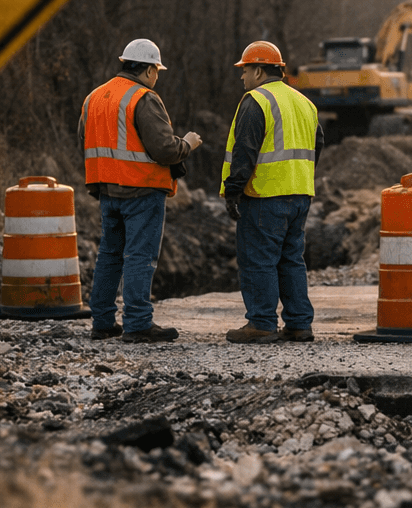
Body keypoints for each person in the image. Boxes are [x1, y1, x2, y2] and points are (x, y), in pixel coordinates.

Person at [80, 39, 202, 344]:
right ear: (148, 69)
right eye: (156, 70)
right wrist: (187, 144)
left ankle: (103, 322)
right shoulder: (143, 98)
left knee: (109, 255)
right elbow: (163, 149)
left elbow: (83, 138)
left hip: (107, 188)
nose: (157, 76)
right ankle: (137, 323)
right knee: (139, 256)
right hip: (141, 189)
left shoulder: (94, 96)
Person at [221, 40, 324, 343]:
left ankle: (262, 323)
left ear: (258, 70)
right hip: (300, 193)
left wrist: (233, 191)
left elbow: (245, 151)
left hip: (265, 194)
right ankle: (299, 324)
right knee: (291, 259)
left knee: (258, 260)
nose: (242, 77)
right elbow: (317, 144)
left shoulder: (256, 100)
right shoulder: (305, 102)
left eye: (244, 70)